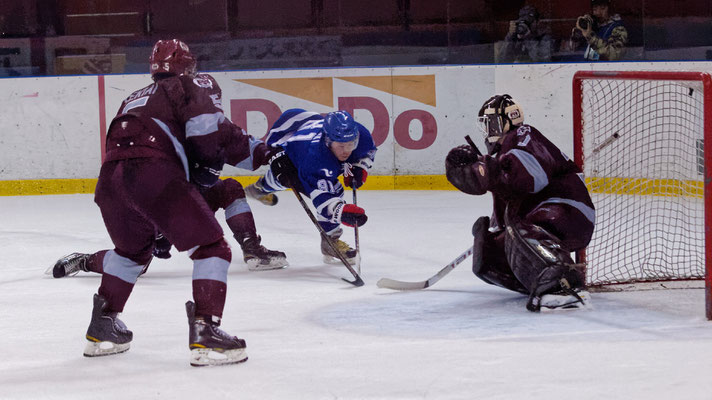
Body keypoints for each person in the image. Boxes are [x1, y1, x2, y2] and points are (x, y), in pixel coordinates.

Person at [52, 39, 280, 366]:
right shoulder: (186, 88)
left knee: (131, 256)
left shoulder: (134, 97)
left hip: (111, 183)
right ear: (188, 67)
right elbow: (214, 137)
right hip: (153, 176)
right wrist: (262, 153)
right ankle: (206, 332)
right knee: (212, 247)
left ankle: (102, 327)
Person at [445, 94, 596, 311]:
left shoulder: (523, 135)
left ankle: (566, 285)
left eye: (492, 124)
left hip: (569, 211)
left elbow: (532, 179)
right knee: (487, 257)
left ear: (507, 121)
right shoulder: (501, 157)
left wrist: (489, 169)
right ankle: (539, 280)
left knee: (521, 225)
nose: (489, 132)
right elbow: (507, 216)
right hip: (541, 221)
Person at [245, 109, 375, 265]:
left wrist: (359, 166)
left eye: (351, 144)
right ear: (327, 141)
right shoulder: (315, 158)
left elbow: (368, 152)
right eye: (341, 145)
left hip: (302, 138)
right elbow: (322, 196)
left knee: (329, 185)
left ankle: (260, 189)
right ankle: (258, 189)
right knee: (284, 180)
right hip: (291, 155)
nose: (347, 150)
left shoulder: (360, 134)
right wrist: (342, 212)